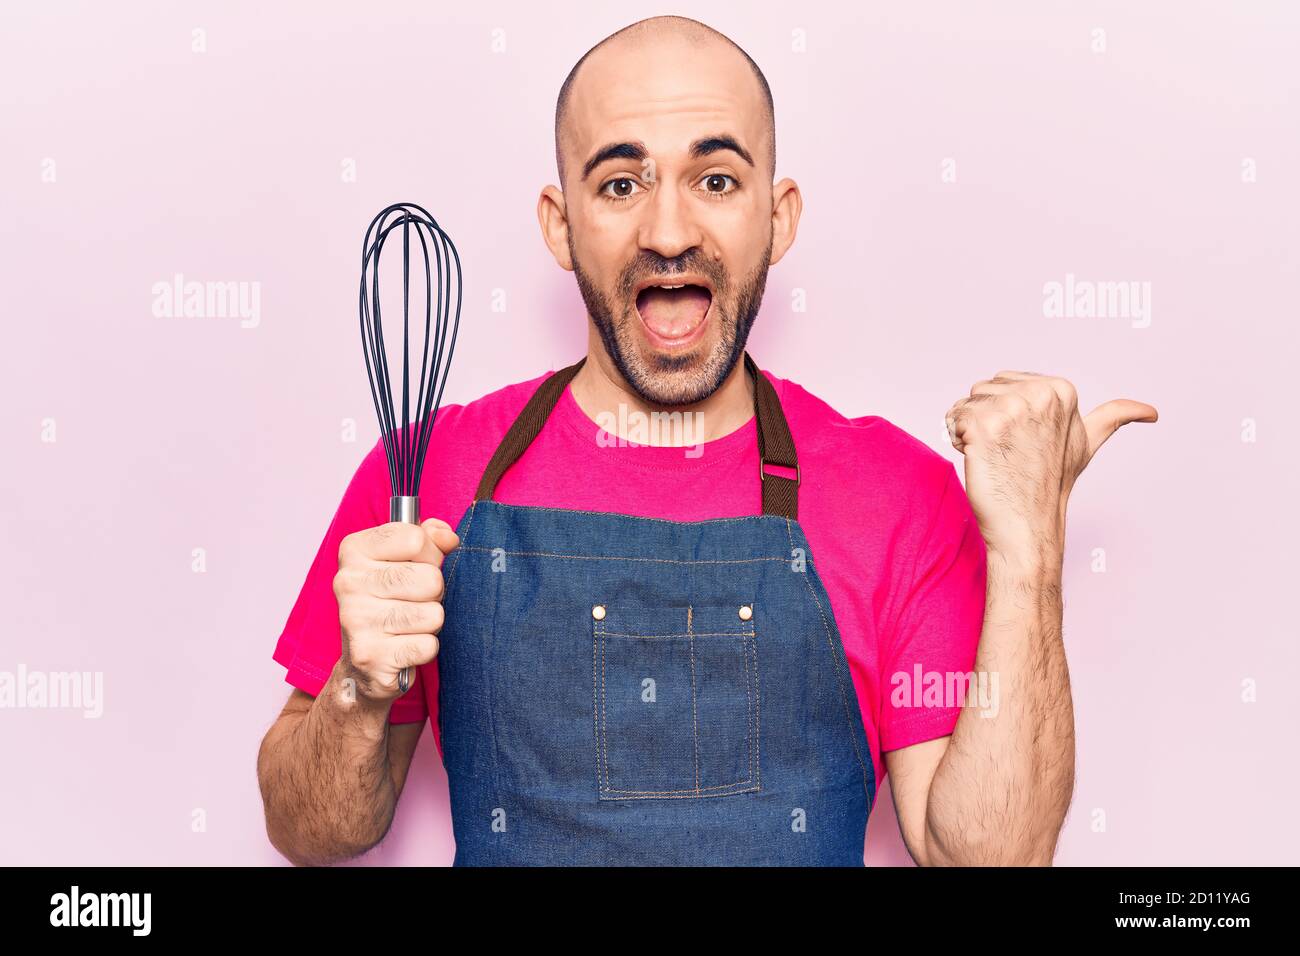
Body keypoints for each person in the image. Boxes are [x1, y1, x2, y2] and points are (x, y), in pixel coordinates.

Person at [257, 15, 1157, 866]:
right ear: (560, 226)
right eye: (620, 183)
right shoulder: (426, 472)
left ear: (780, 214)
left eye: (716, 180)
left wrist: (1032, 548)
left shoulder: (899, 494)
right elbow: (312, 833)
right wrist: (357, 688)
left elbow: (992, 856)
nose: (670, 231)